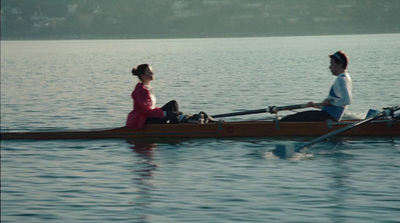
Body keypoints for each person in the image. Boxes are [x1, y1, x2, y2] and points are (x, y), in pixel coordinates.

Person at [281, 50, 352, 122]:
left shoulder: (342, 79)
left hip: (329, 117)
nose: (330, 67)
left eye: (332, 63)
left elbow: (347, 100)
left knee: (288, 119)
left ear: (340, 64)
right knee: (292, 118)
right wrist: (315, 105)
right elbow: (334, 104)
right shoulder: (344, 77)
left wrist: (331, 102)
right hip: (328, 115)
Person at [125, 64, 180, 129]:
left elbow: (151, 109)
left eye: (151, 71)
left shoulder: (147, 88)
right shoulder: (141, 91)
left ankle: (175, 126)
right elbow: (146, 111)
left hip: (148, 117)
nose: (152, 73)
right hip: (142, 121)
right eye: (149, 71)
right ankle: (175, 128)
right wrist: (165, 114)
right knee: (171, 107)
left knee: (173, 104)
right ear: (142, 75)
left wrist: (167, 113)